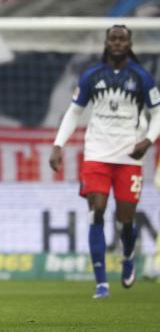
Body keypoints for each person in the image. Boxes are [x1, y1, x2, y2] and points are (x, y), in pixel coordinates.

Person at [49, 25, 160, 299]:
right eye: (113, 38)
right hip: (97, 153)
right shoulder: (91, 75)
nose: (118, 43)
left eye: (122, 38)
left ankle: (129, 254)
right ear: (107, 43)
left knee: (125, 219)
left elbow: (158, 113)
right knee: (96, 210)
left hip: (129, 156)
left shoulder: (141, 77)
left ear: (130, 43)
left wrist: (148, 140)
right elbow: (74, 113)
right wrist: (58, 145)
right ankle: (101, 282)